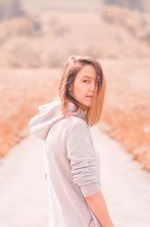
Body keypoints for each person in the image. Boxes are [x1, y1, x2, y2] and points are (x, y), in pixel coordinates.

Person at [29, 55, 115, 227]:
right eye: (85, 81)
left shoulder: (56, 123)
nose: (93, 88)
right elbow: (89, 188)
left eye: (97, 82)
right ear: (69, 85)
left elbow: (49, 174)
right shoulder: (75, 126)